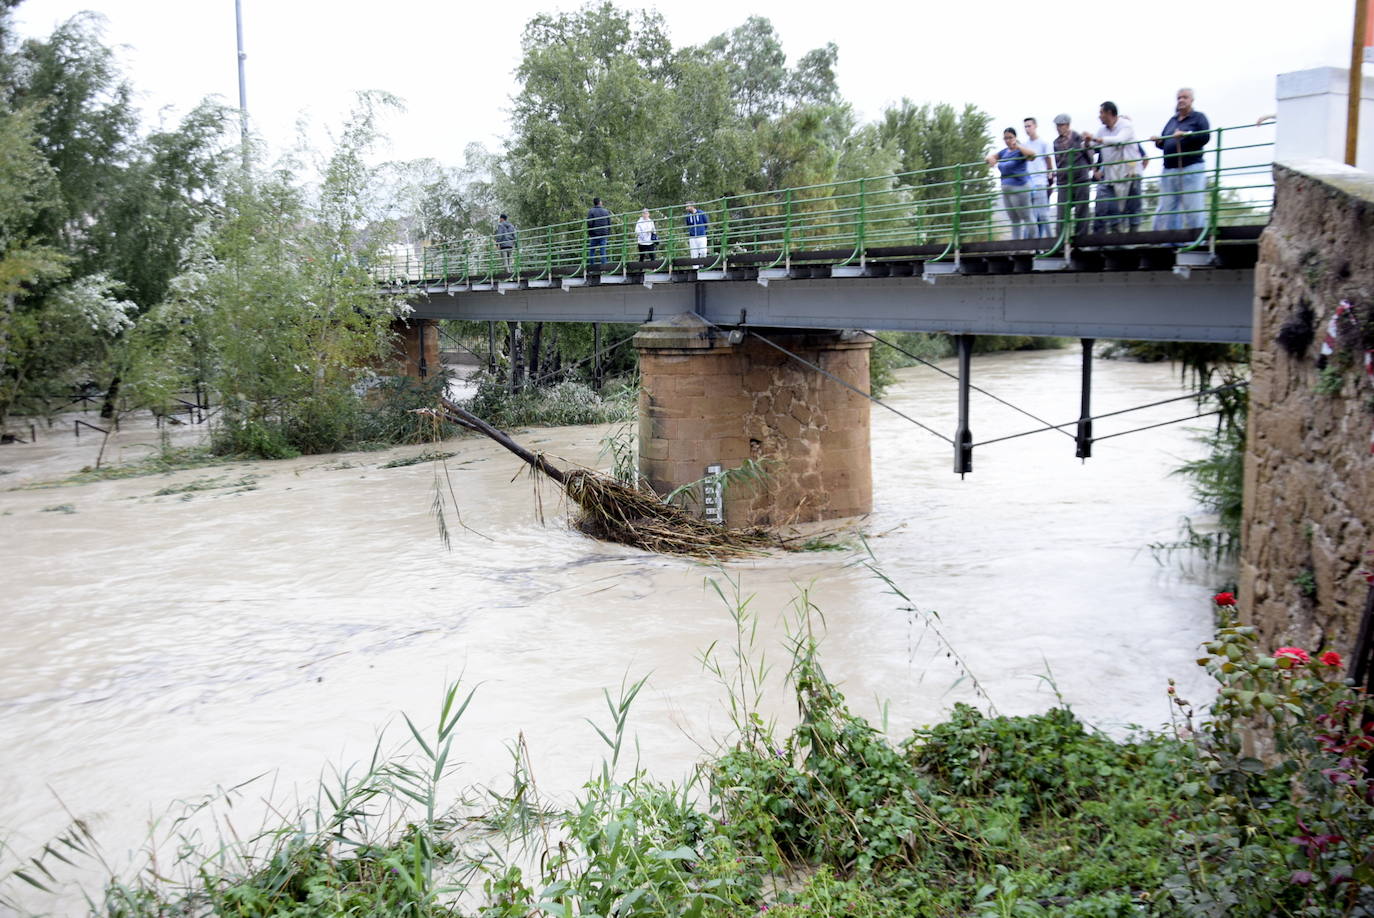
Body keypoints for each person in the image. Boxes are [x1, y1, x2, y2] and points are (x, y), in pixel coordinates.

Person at [1151, 87, 1211, 231]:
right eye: (1179, 98)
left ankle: (1197, 241)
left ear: (1192, 100)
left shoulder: (1199, 117)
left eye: (1184, 97)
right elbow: (1166, 142)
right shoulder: (1172, 120)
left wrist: (1187, 134)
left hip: (1190, 167)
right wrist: (1159, 141)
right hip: (1169, 169)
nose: (1181, 100)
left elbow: (1205, 136)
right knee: (1168, 208)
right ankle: (1171, 242)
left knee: (1193, 207)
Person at [1080, 101, 1138, 233]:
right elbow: (1087, 146)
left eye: (1101, 113)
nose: (1099, 116)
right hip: (1111, 175)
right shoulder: (1102, 130)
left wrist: (1096, 139)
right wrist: (1088, 141)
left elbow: (1118, 140)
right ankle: (1116, 239)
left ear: (1109, 113)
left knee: (1132, 206)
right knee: (1113, 207)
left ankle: (1134, 238)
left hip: (1130, 171)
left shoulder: (1126, 126)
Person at [985, 127, 1037, 241]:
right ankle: (1016, 247)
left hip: (1020, 188)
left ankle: (1037, 245)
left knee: (1027, 216)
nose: (1008, 140)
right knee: (1014, 219)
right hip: (1006, 190)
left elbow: (1033, 156)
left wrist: (1018, 146)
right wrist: (990, 158)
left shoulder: (1020, 150)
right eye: (1005, 138)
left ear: (1015, 137)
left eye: (1010, 137)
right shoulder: (1004, 152)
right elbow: (990, 157)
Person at [1051, 113, 1093, 235]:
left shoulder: (1079, 137)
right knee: (1062, 213)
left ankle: (1082, 240)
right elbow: (1059, 162)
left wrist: (1086, 144)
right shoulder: (1056, 143)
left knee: (1082, 210)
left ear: (1068, 125)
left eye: (1061, 125)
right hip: (1064, 180)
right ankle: (1061, 240)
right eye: (1057, 125)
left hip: (1081, 178)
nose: (1059, 128)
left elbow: (1089, 155)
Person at [1022, 117, 1054, 237]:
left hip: (1040, 181)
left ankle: (1051, 241)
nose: (1027, 129)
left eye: (1029, 126)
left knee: (1043, 214)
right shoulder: (1025, 145)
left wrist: (1049, 177)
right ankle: (1030, 244)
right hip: (1029, 183)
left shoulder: (1043, 143)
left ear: (1035, 126)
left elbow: (1048, 160)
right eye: (1025, 126)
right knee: (1031, 216)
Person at [586, 197, 612, 264]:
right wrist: (608, 232)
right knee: (603, 251)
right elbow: (609, 223)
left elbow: (589, 223)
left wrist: (590, 233)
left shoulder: (591, 211)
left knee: (592, 251)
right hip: (603, 234)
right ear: (600, 202)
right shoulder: (606, 211)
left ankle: (592, 266)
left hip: (594, 234)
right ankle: (604, 266)